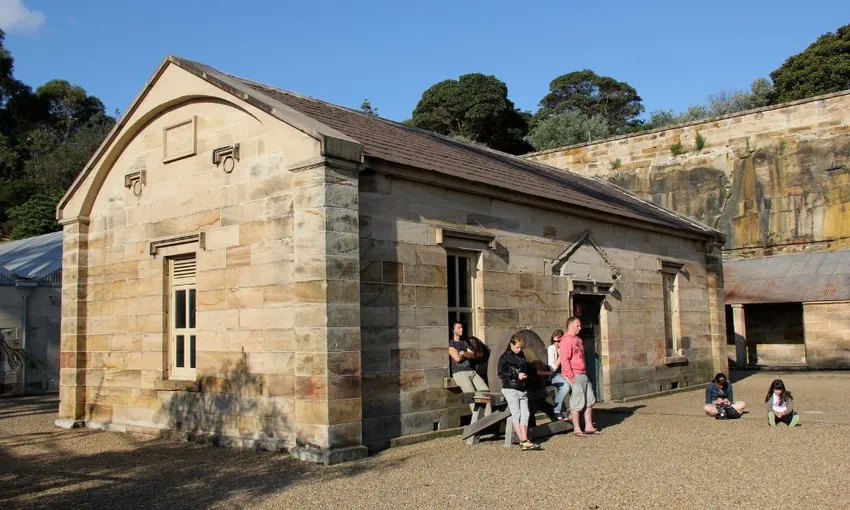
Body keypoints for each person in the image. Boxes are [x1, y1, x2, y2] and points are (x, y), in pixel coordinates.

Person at [498, 334, 540, 450]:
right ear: (511, 344)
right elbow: (501, 374)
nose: (519, 350)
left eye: (521, 347)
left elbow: (525, 368)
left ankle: (524, 439)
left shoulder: (521, 355)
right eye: (517, 347)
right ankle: (523, 440)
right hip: (510, 389)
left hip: (522, 389)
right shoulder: (504, 357)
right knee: (516, 414)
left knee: (525, 414)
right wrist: (516, 375)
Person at [560, 317, 600, 436]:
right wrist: (570, 375)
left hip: (582, 373)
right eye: (577, 326)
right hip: (574, 374)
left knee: (590, 399)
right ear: (570, 326)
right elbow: (564, 359)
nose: (580, 328)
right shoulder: (566, 340)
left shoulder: (578, 339)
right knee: (577, 401)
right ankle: (577, 428)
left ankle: (588, 425)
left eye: (580, 326)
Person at [447, 322, 488, 411]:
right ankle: (477, 422)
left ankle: (489, 419)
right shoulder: (451, 343)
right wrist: (466, 354)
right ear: (453, 330)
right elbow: (457, 358)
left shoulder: (464, 343)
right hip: (460, 373)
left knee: (485, 392)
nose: (461, 329)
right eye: (459, 328)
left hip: (471, 371)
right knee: (472, 397)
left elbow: (473, 355)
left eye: (462, 327)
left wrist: (463, 354)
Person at [547, 329, 570, 422]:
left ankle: (573, 411)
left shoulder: (564, 348)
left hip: (564, 373)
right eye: (554, 341)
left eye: (558, 341)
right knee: (565, 387)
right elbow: (552, 368)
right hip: (553, 375)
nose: (556, 343)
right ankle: (557, 410)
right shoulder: (551, 349)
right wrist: (560, 357)